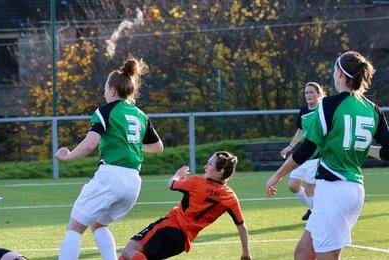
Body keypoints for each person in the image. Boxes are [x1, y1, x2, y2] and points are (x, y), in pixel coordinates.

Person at [266, 51, 389, 259]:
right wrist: (366, 148)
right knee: (303, 254)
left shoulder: (329, 104)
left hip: (334, 189)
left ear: (340, 74)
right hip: (354, 191)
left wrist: (277, 175)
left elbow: (306, 149)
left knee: (326, 256)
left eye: (334, 70)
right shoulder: (373, 109)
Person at [55, 57, 164, 260]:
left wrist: (68, 156)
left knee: (74, 229)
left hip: (111, 176)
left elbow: (89, 144)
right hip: (133, 182)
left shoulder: (105, 111)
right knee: (98, 224)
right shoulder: (140, 115)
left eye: (105, 88)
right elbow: (158, 147)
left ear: (112, 91)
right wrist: (131, 145)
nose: (104, 92)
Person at [119, 151, 251, 260]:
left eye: (210, 164)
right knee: (128, 258)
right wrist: (246, 253)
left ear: (221, 170)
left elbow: (171, 184)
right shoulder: (230, 197)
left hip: (168, 227)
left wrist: (178, 175)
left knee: (128, 250)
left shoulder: (196, 182)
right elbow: (242, 227)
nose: (205, 166)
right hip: (181, 243)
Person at [279, 82, 325, 221]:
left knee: (310, 187)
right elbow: (300, 130)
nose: (309, 95)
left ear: (319, 93)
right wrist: (290, 146)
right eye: (306, 93)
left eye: (311, 92)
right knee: (293, 185)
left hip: (317, 155)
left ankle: (317, 215)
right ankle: (314, 209)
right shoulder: (304, 111)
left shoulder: (323, 110)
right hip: (304, 154)